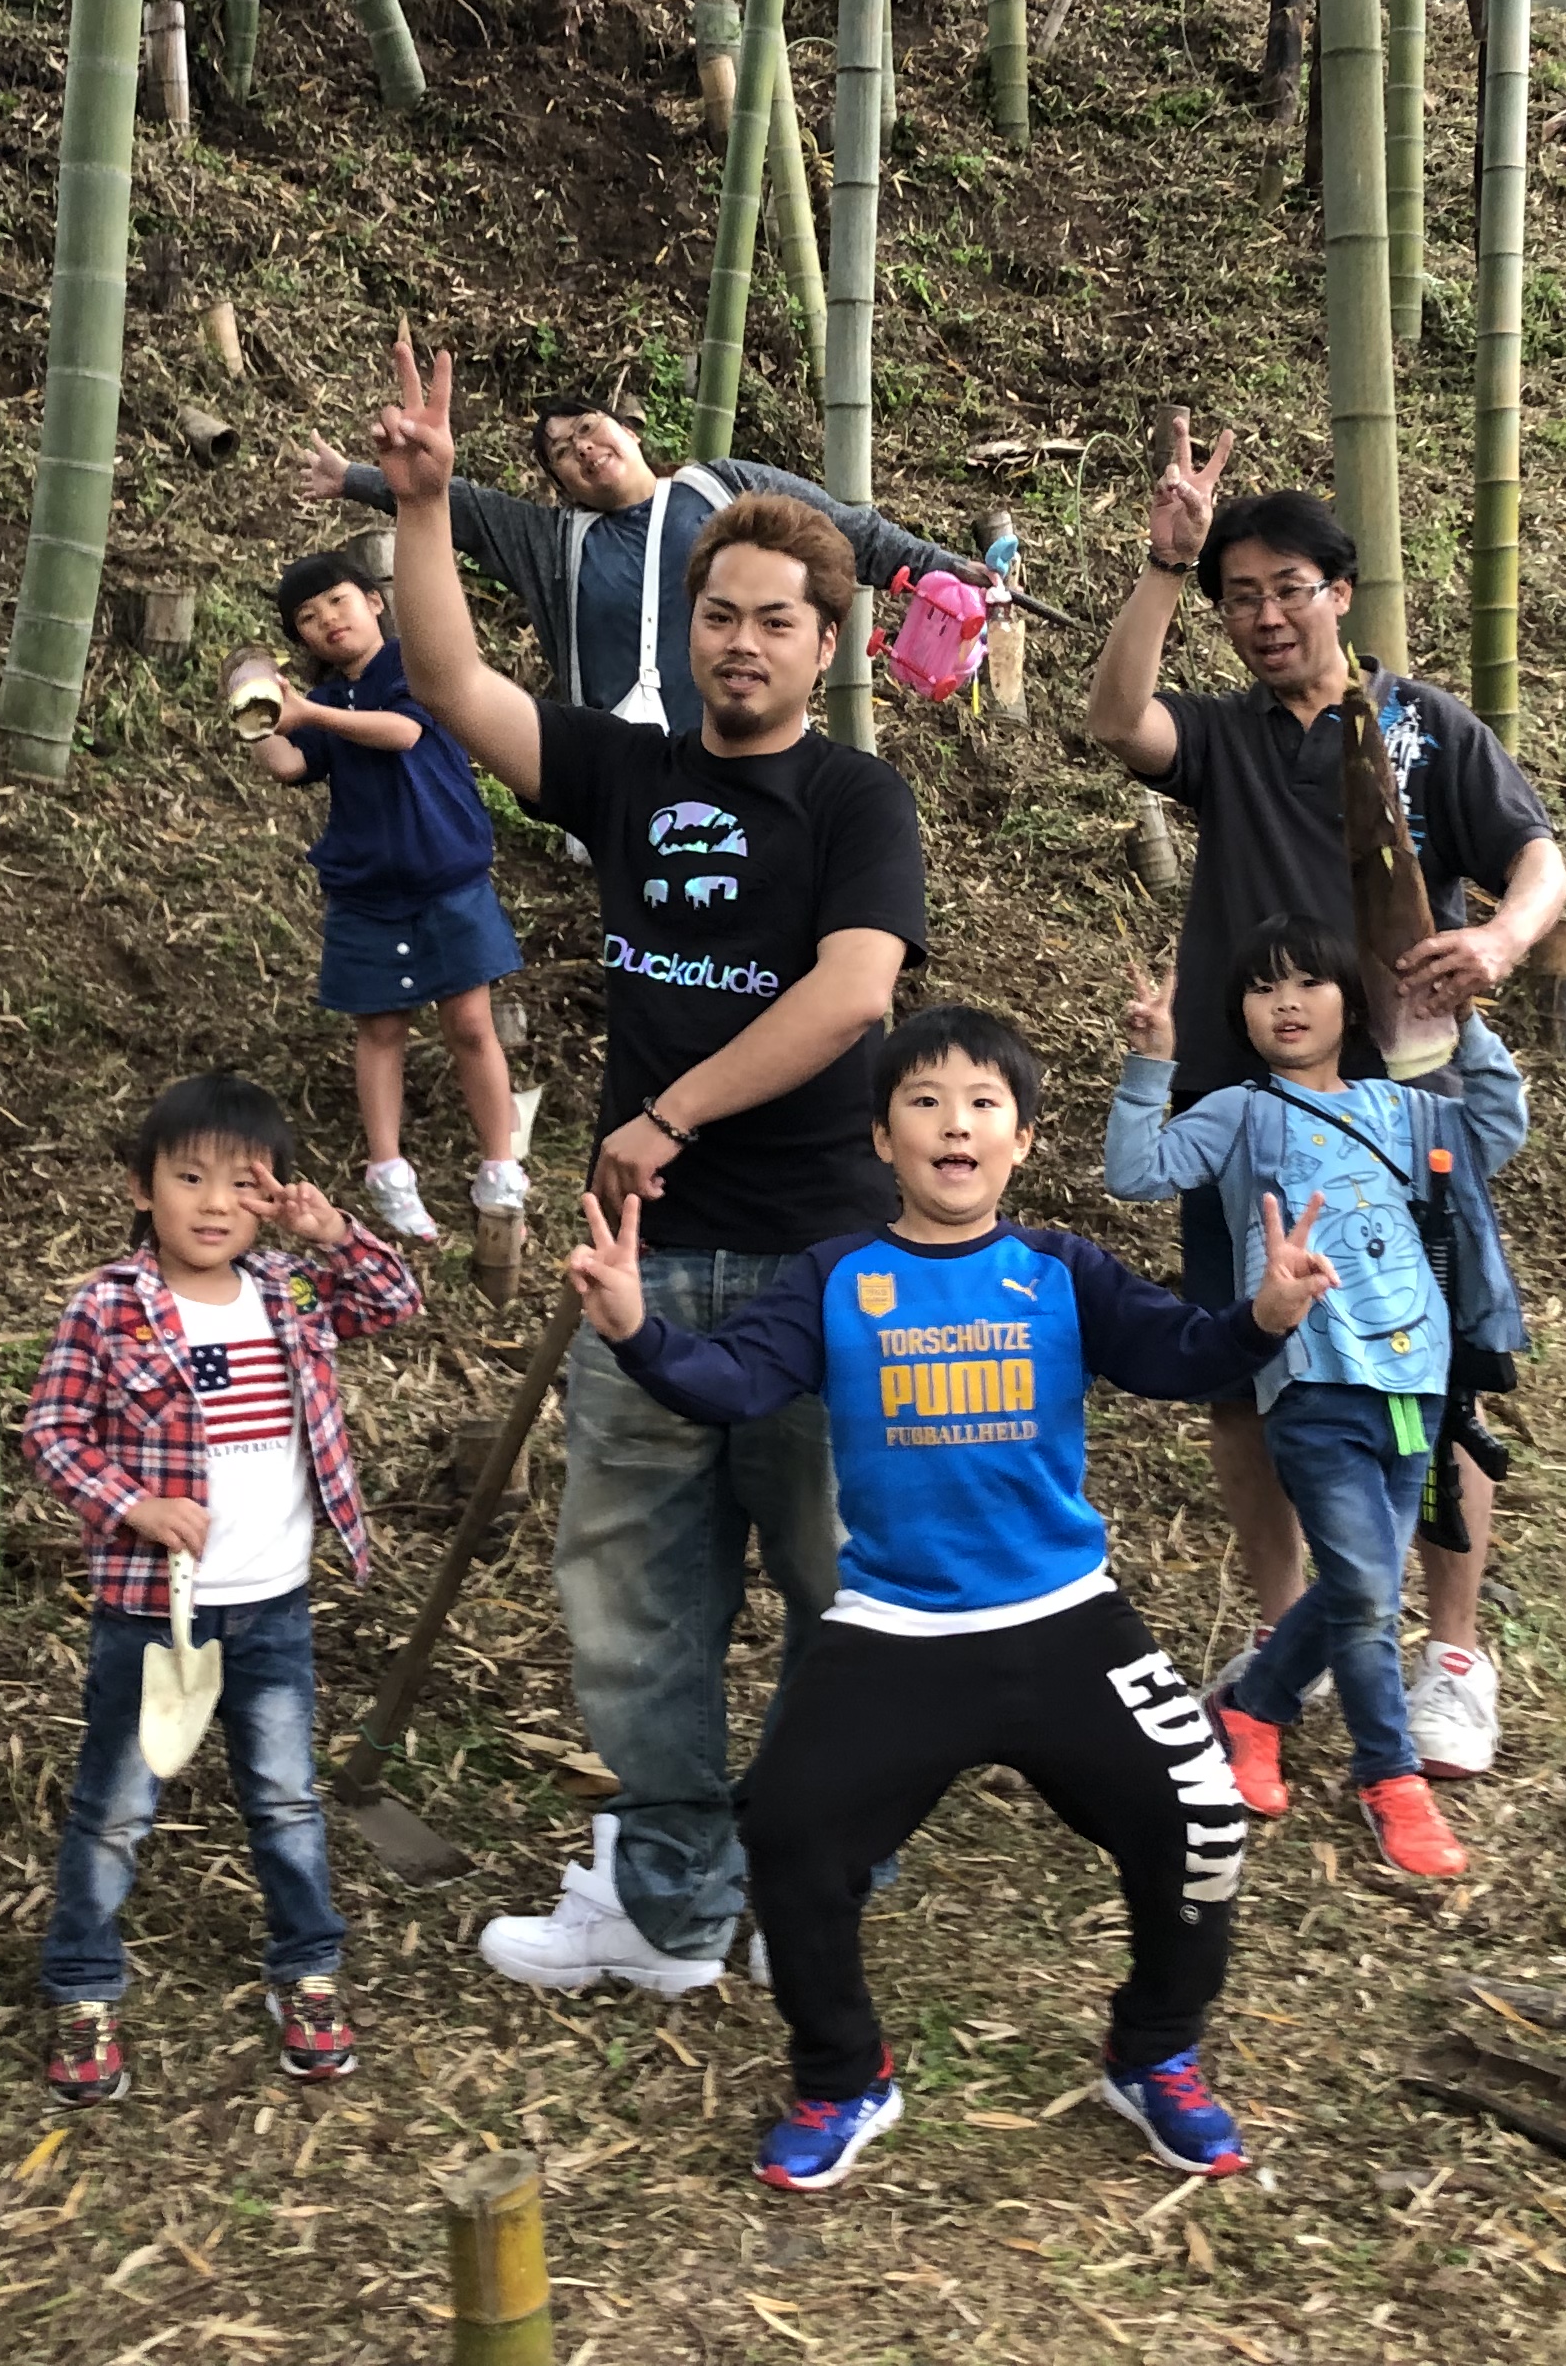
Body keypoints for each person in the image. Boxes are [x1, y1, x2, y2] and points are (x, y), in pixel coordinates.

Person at [364, 332, 931, 1995]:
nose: (739, 642)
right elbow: (457, 688)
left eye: (772, 620)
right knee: (634, 1592)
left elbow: (855, 991)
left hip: (822, 1261)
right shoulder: (629, 771)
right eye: (717, 615)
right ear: (685, 631)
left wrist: (671, 1113)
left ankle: (808, 1869)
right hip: (645, 1266)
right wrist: (422, 508)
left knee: (840, 1586)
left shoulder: (857, 799)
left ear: (824, 643)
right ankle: (673, 1893)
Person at [571, 1006, 1329, 2189]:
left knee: (1203, 1816)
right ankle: (843, 2077)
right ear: (883, 1140)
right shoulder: (837, 1277)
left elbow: (1179, 1354)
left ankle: (1154, 2052)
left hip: (1064, 1620)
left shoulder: (1060, 1272)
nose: (955, 1125)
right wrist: (636, 1330)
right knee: (789, 1834)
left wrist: (1265, 1317)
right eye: (924, 1103)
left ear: (1022, 1140)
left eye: (983, 1104)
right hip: (896, 1630)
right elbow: (732, 1382)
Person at [1083, 429, 1566, 1779]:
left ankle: (1453, 1654)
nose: (1265, 617)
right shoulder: (1226, 739)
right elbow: (1118, 720)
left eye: (1288, 589)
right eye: (1240, 597)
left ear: (1339, 594)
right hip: (1242, 1111)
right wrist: (1165, 566)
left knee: (1439, 1366)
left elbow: (1537, 857)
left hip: (1405, 1107)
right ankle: (1282, 1635)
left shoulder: (1425, 727)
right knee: (1249, 1371)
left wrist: (1501, 942)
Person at [18, 1072, 419, 2105]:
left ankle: (309, 1972)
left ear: (271, 1195)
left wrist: (332, 1233)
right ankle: (83, 1986)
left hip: (274, 1604)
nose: (211, 1204)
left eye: (241, 1184)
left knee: (285, 1798)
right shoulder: (111, 1305)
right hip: (152, 1612)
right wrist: (133, 1505)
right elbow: (52, 1433)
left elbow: (394, 1300)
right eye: (186, 1178)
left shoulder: (288, 1289)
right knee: (115, 1806)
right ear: (141, 1188)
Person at [1105, 918, 1528, 1880]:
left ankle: (1254, 1711)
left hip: (1414, 1380)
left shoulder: (1408, 1109)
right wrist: (1151, 1062)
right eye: (1262, 988)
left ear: (1352, 1003)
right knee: (1370, 1589)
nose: (1286, 1003)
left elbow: (1499, 1129)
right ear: (1240, 1014)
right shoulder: (1240, 1114)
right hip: (1310, 1375)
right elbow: (1135, 1173)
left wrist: (1466, 1024)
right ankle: (1390, 1779)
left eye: (1308, 983)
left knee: (1355, 1580)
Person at [295, 394, 999, 731]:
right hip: (627, 766)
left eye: (588, 428)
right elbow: (459, 504)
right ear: (560, 481)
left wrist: (943, 569)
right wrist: (352, 477)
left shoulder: (723, 487)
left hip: (749, 742)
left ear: (629, 431)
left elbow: (847, 533)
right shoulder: (554, 543)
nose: (581, 447)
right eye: (562, 452)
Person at [251, 545, 529, 1256]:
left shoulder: (415, 665)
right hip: (366, 889)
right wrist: (256, 715)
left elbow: (402, 731)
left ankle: (500, 1167)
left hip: (448, 878)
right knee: (379, 1030)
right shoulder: (325, 702)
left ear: (374, 602)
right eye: (307, 618)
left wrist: (308, 712)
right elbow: (289, 764)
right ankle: (388, 1173)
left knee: (472, 1024)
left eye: (337, 601)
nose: (327, 620)